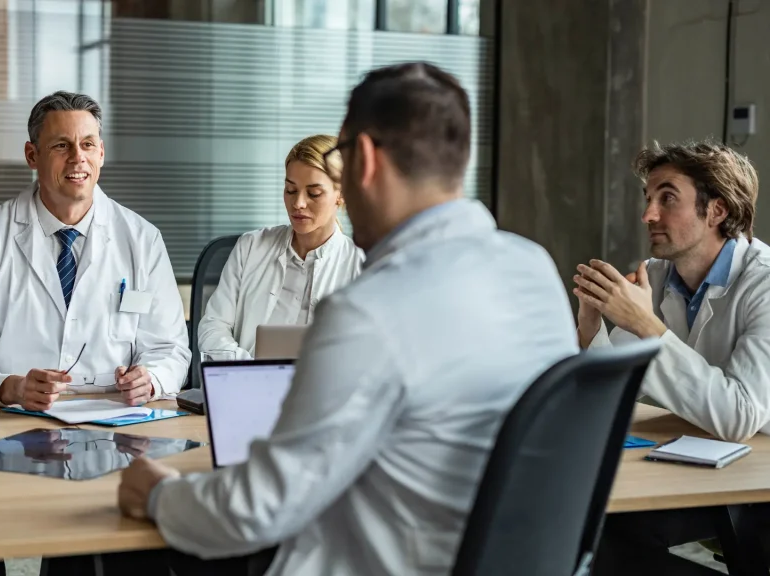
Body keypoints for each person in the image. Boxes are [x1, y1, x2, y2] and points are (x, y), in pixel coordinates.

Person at [117, 62, 578, 575]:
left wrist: (161, 494)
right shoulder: (533, 267)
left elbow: (257, 510)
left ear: (363, 162)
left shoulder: (370, 310)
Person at [0, 91, 190, 576]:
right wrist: (8, 386)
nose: (79, 159)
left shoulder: (141, 238)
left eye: (89, 145)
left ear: (102, 153)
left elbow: (171, 348)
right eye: (62, 146)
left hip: (117, 428)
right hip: (10, 430)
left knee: (136, 545)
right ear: (32, 155)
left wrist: (150, 379)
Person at [574, 140, 769, 575]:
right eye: (648, 199)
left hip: (756, 477)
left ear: (716, 211)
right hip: (701, 462)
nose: (648, 215)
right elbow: (619, 390)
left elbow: (741, 415)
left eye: (667, 198)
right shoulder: (658, 275)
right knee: (587, 520)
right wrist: (592, 326)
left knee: (612, 536)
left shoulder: (765, 286)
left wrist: (647, 326)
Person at [198, 134, 364, 360]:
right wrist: (247, 370)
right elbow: (214, 325)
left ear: (341, 194)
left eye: (314, 193)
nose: (298, 203)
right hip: (249, 386)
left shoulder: (362, 264)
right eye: (290, 190)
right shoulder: (251, 247)